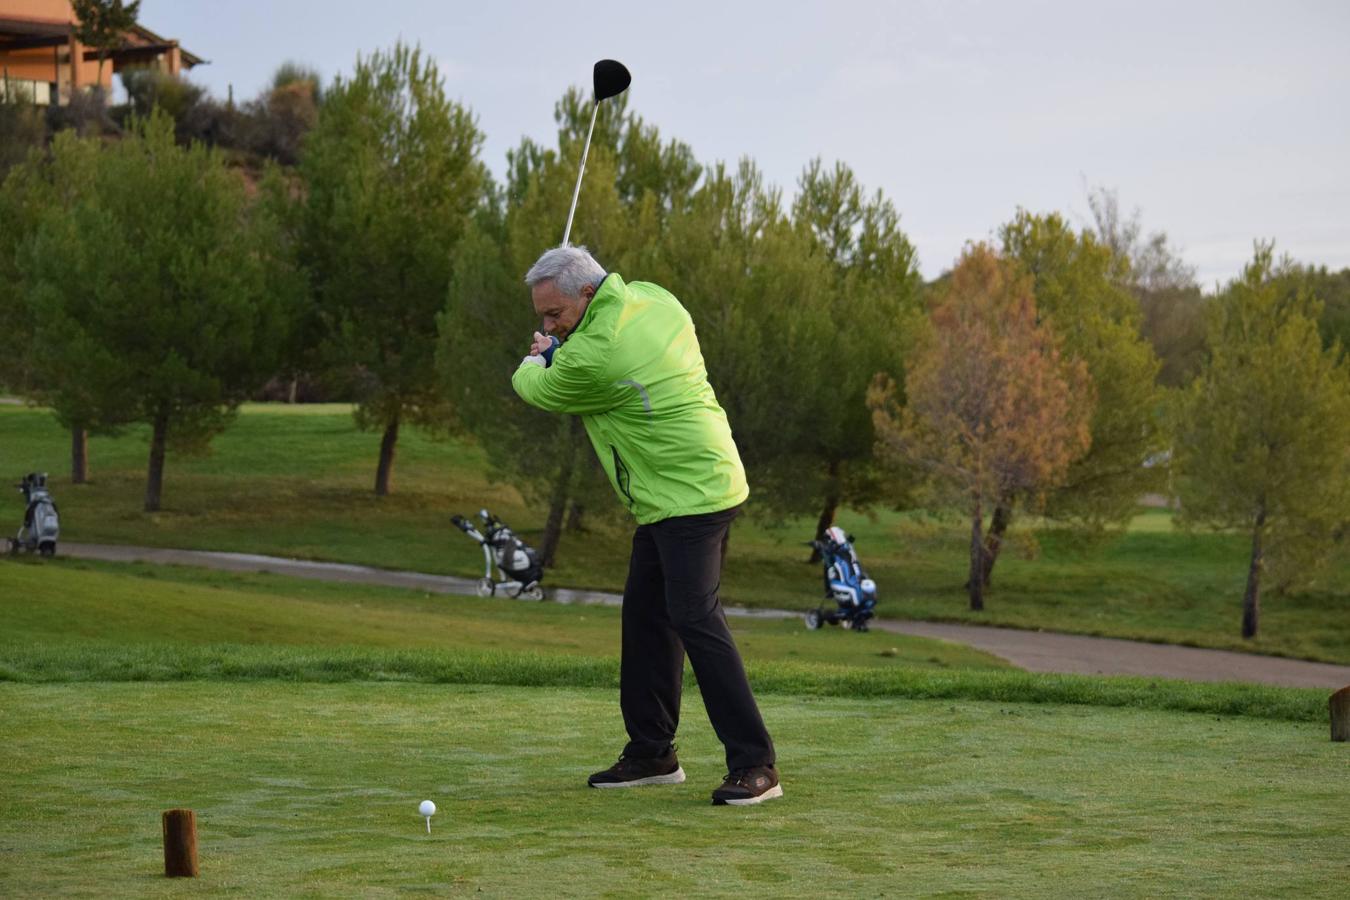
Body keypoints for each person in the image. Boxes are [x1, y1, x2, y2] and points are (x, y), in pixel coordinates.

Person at [512, 246, 781, 806]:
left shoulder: (593, 359)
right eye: (542, 316)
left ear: (587, 295)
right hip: (683, 485)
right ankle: (652, 753)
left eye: (554, 314)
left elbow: (536, 389)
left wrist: (540, 356)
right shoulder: (654, 299)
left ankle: (757, 764)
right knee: (645, 616)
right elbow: (593, 342)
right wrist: (564, 340)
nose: (547, 324)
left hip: (692, 494)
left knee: (693, 617)